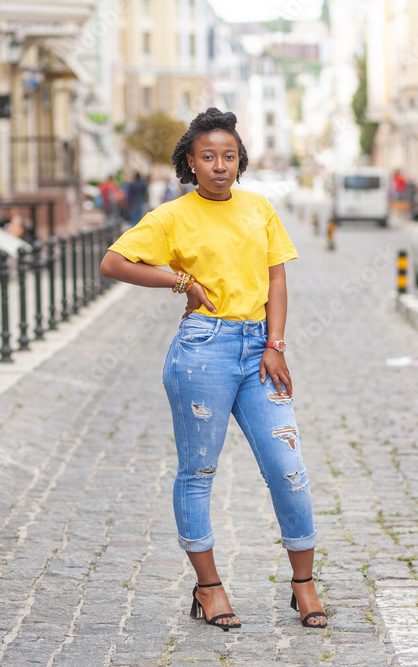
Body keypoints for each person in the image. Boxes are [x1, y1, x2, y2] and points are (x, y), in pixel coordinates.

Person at [99, 107, 326, 632]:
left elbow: (276, 282)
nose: (219, 165)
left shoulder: (259, 208)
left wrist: (277, 344)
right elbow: (114, 262)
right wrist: (180, 283)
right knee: (198, 473)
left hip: (258, 351)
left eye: (228, 156)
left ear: (240, 161)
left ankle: (304, 583)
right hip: (203, 350)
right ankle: (208, 587)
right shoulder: (172, 216)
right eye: (208, 157)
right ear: (190, 163)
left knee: (287, 470)